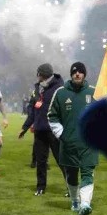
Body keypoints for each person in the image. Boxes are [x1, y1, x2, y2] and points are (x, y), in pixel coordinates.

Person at [48, 61, 99, 215]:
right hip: (68, 144)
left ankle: (85, 204)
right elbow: (51, 116)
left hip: (89, 144)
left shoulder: (95, 92)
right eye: (74, 72)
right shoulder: (61, 93)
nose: (77, 74)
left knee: (87, 173)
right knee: (71, 174)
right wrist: (62, 135)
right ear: (71, 74)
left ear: (84, 74)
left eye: (80, 72)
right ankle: (75, 201)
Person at [19, 63, 64, 196]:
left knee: (61, 160)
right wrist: (25, 127)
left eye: (38, 74)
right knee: (41, 161)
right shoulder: (38, 88)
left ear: (42, 74)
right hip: (39, 130)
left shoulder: (59, 88)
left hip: (54, 130)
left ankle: (71, 186)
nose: (37, 76)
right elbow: (33, 111)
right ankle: (41, 187)